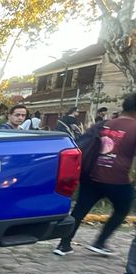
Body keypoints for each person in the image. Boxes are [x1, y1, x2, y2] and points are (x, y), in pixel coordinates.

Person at [54, 93, 136, 256]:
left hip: (91, 174)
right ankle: (100, 242)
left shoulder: (104, 123)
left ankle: (63, 245)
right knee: (122, 209)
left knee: (79, 210)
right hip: (118, 179)